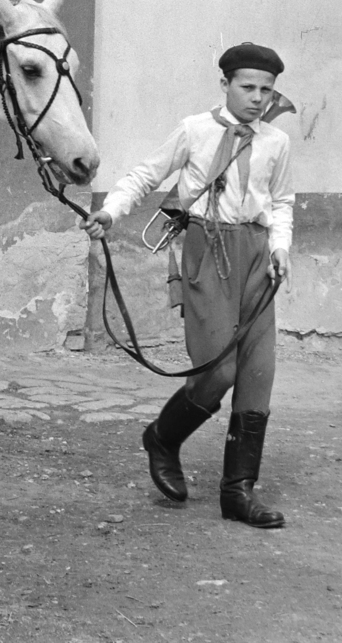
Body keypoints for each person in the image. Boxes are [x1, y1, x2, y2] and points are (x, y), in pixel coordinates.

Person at [81, 42, 295, 529]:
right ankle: (163, 437)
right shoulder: (194, 130)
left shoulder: (276, 144)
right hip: (207, 252)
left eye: (267, 90)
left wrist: (281, 247)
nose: (258, 98)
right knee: (217, 371)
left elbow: (281, 201)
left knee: (259, 373)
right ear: (225, 85)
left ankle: (237, 493)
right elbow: (144, 175)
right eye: (248, 87)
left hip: (258, 255)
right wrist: (110, 212)